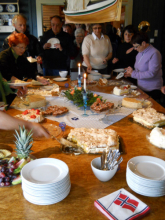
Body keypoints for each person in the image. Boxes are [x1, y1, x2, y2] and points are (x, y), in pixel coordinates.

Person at [124, 32, 163, 103]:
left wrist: (134, 74)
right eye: (134, 46)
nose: (135, 49)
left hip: (152, 89)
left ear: (143, 43)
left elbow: (151, 73)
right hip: (141, 88)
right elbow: (139, 70)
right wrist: (131, 73)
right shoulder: (140, 52)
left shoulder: (154, 53)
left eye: (136, 46)